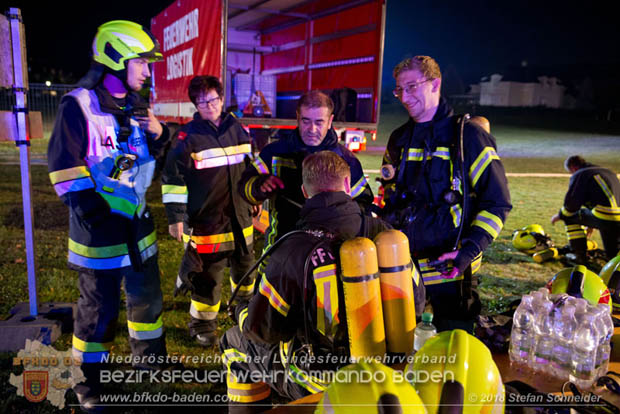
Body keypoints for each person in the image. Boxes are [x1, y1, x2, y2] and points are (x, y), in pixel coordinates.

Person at [47, 20, 171, 412]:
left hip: (139, 231)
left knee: (147, 303)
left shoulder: (137, 108)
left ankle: (150, 361)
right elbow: (65, 170)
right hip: (100, 237)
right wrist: (97, 214)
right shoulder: (78, 105)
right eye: (142, 62)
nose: (148, 71)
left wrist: (160, 137)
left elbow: (149, 164)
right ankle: (90, 386)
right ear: (116, 58)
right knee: (98, 315)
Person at [221, 151, 390, 410]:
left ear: (304, 191)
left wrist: (242, 311)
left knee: (233, 342)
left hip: (319, 379)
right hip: (385, 370)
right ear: (347, 186)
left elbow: (263, 331)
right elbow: (417, 299)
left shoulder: (292, 249)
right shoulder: (386, 236)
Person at [381, 56, 511, 333]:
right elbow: (390, 197)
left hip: (450, 271)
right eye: (399, 89)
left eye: (412, 86)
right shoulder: (399, 139)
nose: (404, 96)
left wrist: (469, 250)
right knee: (399, 348)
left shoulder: (469, 137)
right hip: (403, 267)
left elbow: (497, 203)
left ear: (435, 83)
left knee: (453, 350)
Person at [161, 75, 256, 347]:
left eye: (213, 99)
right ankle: (202, 324)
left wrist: (254, 195)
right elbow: (173, 179)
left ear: (222, 99)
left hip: (240, 216)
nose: (209, 105)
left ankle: (244, 313)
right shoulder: (187, 137)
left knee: (246, 268)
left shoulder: (236, 128)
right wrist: (176, 218)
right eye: (202, 101)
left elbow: (250, 165)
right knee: (209, 275)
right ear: (196, 105)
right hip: (208, 220)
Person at [238, 90, 373, 274]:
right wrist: (258, 186)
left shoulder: (346, 160)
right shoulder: (275, 152)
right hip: (280, 251)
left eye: (319, 122)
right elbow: (244, 186)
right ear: (297, 117)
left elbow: (362, 203)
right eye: (306, 121)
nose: (312, 129)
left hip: (328, 259)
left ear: (330, 121)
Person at [551, 155, 620, 263]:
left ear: (573, 168)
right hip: (615, 216)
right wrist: (591, 221)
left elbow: (572, 204)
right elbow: (602, 197)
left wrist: (560, 215)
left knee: (570, 217)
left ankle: (580, 256)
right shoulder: (607, 171)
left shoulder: (580, 174)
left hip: (606, 216)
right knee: (613, 256)